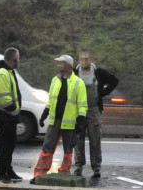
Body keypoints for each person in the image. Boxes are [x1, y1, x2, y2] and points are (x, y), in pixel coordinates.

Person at [32, 54, 88, 181]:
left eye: (61, 63)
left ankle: (64, 174)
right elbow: (51, 100)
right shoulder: (55, 80)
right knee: (47, 148)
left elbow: (82, 105)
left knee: (68, 151)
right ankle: (39, 175)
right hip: (55, 121)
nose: (58, 65)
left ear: (68, 65)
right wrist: (44, 114)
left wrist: (80, 122)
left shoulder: (78, 83)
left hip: (69, 123)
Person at [71, 51, 118, 181]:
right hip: (78, 111)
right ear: (79, 60)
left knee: (95, 139)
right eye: (82, 59)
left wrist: (102, 93)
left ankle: (96, 167)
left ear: (91, 59)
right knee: (78, 139)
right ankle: (78, 165)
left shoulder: (98, 72)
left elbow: (114, 80)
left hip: (94, 110)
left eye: (86, 59)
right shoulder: (74, 72)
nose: (84, 62)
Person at [0, 47, 24, 183]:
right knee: (5, 145)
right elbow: (3, 97)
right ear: (14, 58)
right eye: (18, 57)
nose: (19, 59)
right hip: (5, 114)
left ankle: (8, 169)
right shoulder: (2, 73)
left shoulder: (8, 71)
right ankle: (3, 173)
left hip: (7, 115)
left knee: (10, 144)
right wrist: (14, 111)